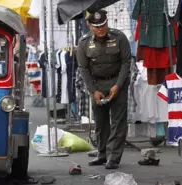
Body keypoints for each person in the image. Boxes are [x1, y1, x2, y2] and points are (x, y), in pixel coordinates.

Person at [76, 9, 131, 169]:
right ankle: (102, 154)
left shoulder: (119, 37)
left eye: (103, 25)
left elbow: (126, 63)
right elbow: (83, 69)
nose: (100, 28)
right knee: (100, 122)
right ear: (89, 25)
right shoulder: (84, 42)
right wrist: (93, 91)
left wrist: (118, 85)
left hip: (117, 82)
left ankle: (113, 158)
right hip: (97, 85)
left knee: (118, 122)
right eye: (96, 26)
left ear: (107, 22)